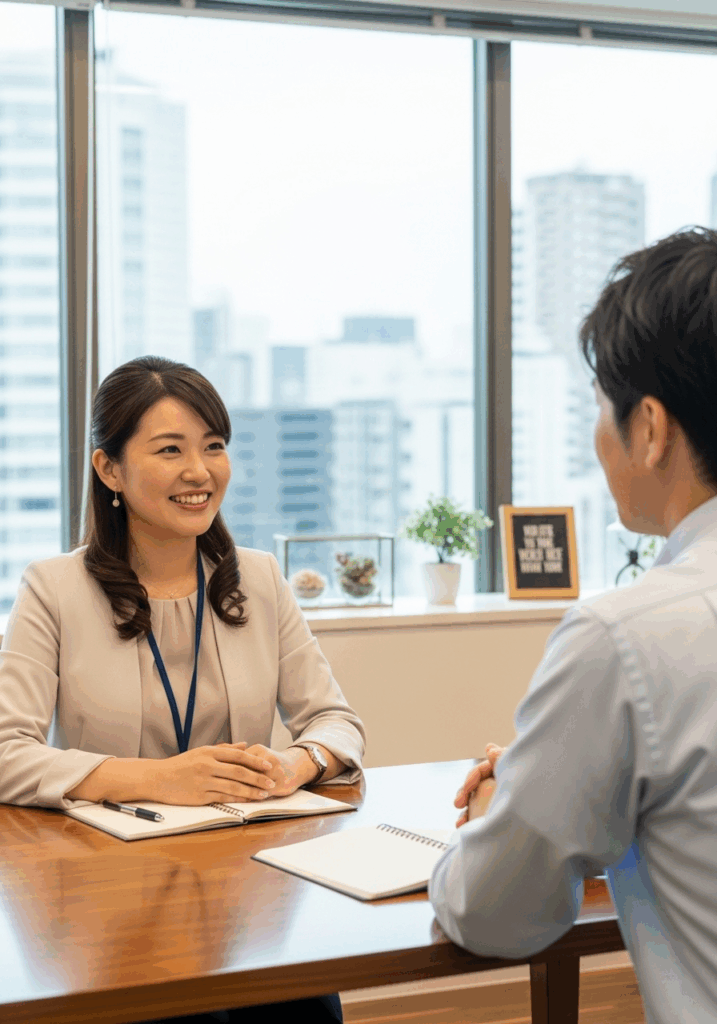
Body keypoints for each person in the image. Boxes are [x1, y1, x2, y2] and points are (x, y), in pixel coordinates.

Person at [0, 355, 365, 1023]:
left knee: (304, 1009)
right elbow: (6, 752)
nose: (199, 471)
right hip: (109, 891)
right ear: (109, 469)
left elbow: (336, 722)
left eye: (213, 446)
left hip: (245, 880)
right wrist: (161, 779)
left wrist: (296, 763)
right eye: (170, 450)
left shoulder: (258, 577)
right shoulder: (53, 589)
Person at [429, 226, 717, 1024]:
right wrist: (560, 770)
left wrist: (506, 802)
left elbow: (495, 913)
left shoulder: (627, 635)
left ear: (649, 428)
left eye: (598, 405)